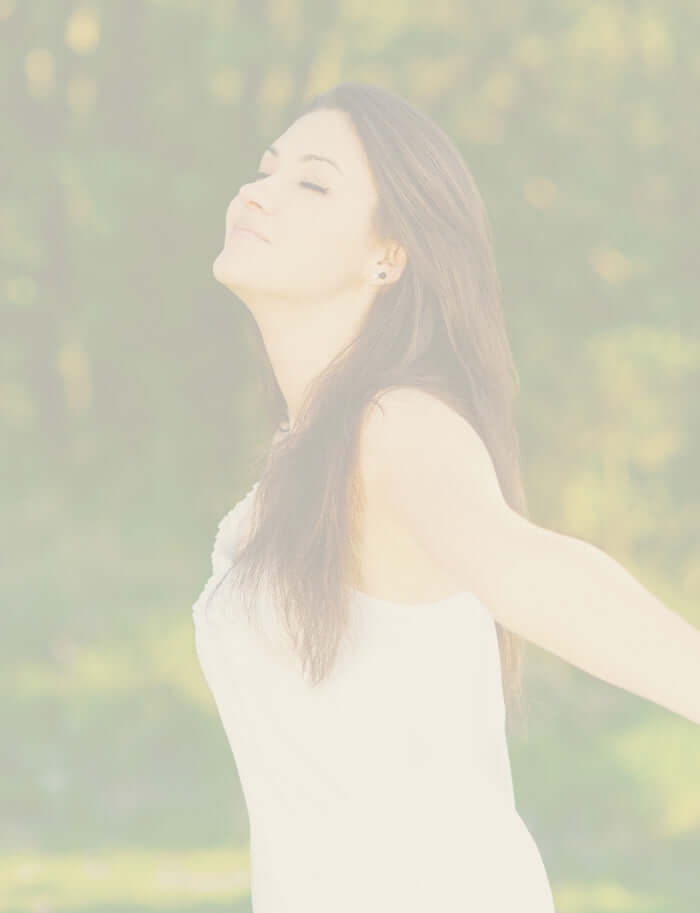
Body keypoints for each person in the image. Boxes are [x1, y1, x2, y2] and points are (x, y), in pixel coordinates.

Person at [193, 81, 699, 911]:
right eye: (266, 169)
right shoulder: (302, 464)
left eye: (312, 183)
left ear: (387, 254)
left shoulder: (395, 425)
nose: (258, 191)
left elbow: (523, 565)